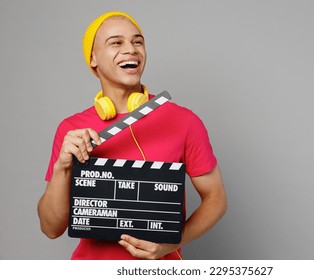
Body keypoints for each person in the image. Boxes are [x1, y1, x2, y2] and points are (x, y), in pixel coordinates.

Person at [37, 11, 227, 260]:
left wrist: (172, 243)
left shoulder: (184, 121)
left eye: (137, 42)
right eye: (116, 42)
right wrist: (63, 166)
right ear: (93, 58)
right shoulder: (73, 131)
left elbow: (216, 198)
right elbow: (51, 228)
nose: (131, 49)